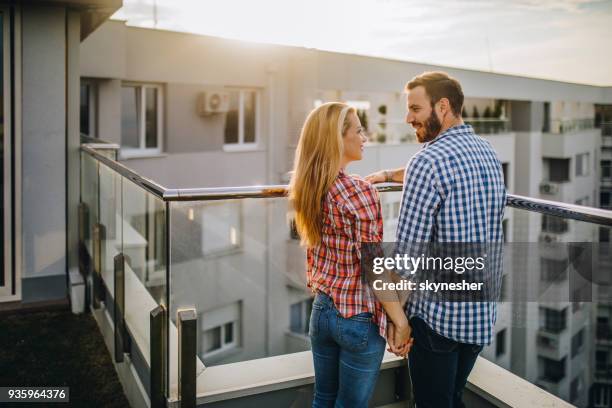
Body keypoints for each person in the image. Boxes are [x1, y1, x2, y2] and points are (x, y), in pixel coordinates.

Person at [366, 71, 507, 408]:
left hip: (438, 322)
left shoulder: (427, 162)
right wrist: (389, 174)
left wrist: (396, 321)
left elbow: (407, 260)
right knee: (452, 398)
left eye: (415, 108)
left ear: (442, 106)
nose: (408, 117)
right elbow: (438, 169)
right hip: (480, 315)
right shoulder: (487, 152)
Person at [288, 102, 412, 408]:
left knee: (323, 399)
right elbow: (374, 268)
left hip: (322, 310)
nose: (364, 137)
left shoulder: (307, 186)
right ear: (337, 139)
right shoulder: (358, 191)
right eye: (358, 130)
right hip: (357, 319)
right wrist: (400, 321)